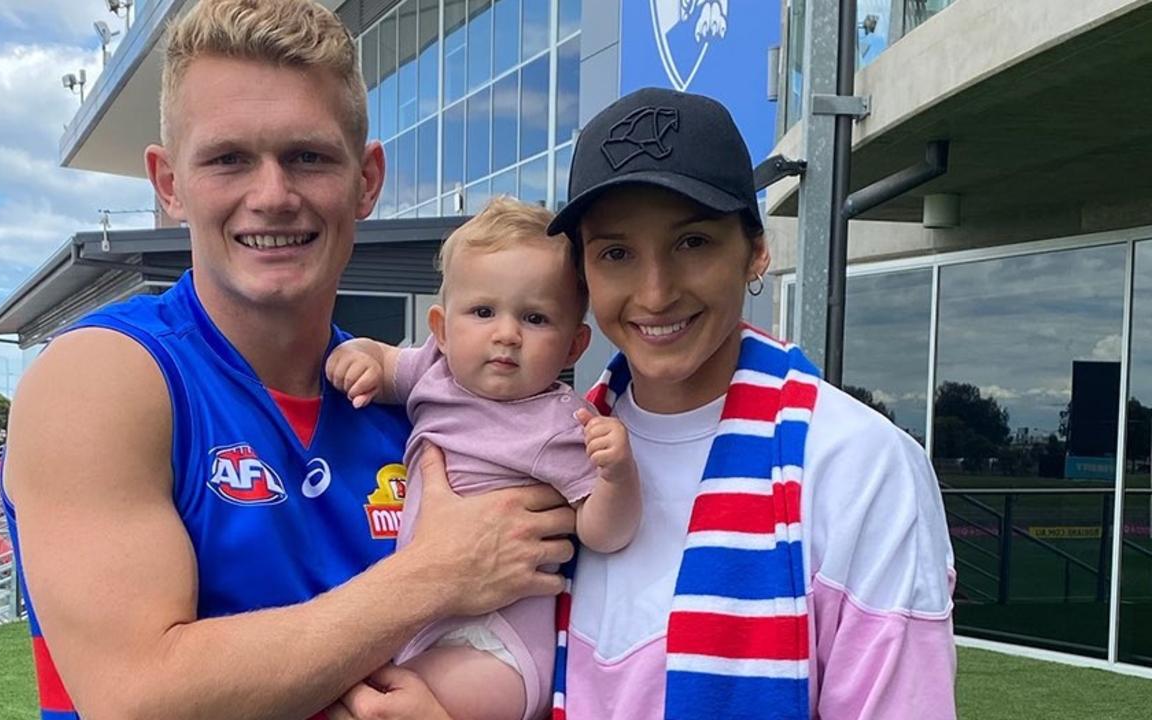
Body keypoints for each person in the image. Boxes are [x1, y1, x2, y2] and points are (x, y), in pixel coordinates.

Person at [0, 2, 574, 719]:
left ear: (367, 179)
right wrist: (435, 576)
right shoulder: (104, 379)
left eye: (308, 156)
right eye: (229, 159)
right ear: (168, 183)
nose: (273, 196)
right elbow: (137, 694)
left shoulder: (423, 402)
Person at [358, 88, 958, 720]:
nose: (655, 291)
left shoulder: (861, 463)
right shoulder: (549, 440)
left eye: (692, 242)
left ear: (756, 250)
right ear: (586, 277)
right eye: (617, 252)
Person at [325, 197, 641, 720]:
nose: (506, 333)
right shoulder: (433, 370)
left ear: (573, 347)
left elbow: (606, 531)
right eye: (483, 311)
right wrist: (356, 357)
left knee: (360, 702)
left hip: (494, 646)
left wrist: (617, 476)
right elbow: (385, 362)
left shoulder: (561, 422)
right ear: (442, 330)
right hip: (428, 619)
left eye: (536, 317)